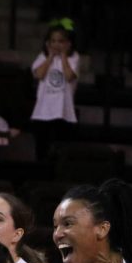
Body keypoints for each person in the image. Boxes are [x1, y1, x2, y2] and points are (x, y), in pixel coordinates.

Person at [30, 21, 79, 161]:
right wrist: (50, 57)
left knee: (59, 150)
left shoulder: (73, 57)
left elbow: (69, 76)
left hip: (63, 112)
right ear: (48, 43)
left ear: (68, 43)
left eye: (61, 41)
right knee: (41, 150)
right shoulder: (42, 57)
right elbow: (39, 75)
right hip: (42, 112)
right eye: (53, 41)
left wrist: (63, 56)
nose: (57, 45)